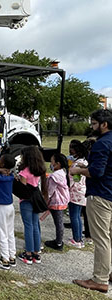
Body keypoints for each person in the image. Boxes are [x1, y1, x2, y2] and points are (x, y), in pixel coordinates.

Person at [72, 109, 112, 293]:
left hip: (100, 195)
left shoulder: (102, 143)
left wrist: (78, 171)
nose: (92, 127)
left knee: (101, 239)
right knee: (110, 237)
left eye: (94, 124)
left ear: (104, 124)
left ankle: (100, 279)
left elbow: (96, 172)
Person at [16, 146, 47, 265]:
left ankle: (28, 253)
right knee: (35, 225)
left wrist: (17, 181)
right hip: (36, 197)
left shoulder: (24, 172)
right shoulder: (38, 169)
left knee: (28, 226)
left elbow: (22, 189)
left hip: (26, 200)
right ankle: (36, 252)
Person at [44, 153, 70, 251]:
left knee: (59, 223)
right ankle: (59, 241)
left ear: (57, 164)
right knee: (59, 222)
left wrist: (46, 201)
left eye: (52, 162)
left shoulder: (54, 177)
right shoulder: (63, 172)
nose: (50, 164)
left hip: (56, 202)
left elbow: (50, 191)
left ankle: (58, 243)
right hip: (63, 200)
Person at [67, 140, 88, 248]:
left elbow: (75, 179)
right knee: (78, 217)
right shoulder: (84, 162)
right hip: (82, 191)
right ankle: (79, 238)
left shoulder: (76, 164)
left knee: (74, 216)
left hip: (75, 192)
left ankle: (76, 239)